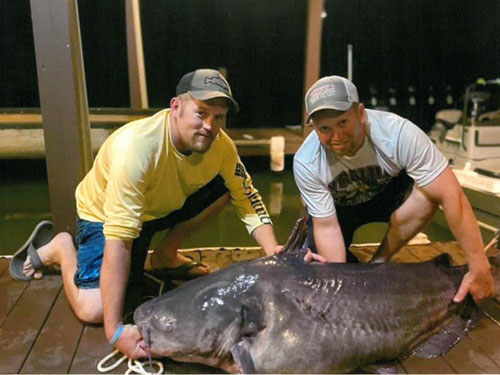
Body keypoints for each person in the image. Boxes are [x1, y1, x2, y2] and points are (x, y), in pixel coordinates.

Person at [10, 69, 281, 359]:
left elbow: (248, 198)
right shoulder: (136, 149)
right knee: (94, 309)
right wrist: (114, 331)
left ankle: (166, 254)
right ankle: (62, 248)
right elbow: (120, 241)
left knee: (227, 187)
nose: (209, 126)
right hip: (103, 216)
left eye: (219, 117)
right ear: (175, 107)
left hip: (154, 209)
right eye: (201, 113)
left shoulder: (222, 147)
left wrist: (275, 254)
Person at [293, 75, 494, 305]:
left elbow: (451, 195)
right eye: (325, 128)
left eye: (343, 123)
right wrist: (341, 285)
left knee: (429, 191)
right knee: (321, 266)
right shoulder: (306, 161)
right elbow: (326, 226)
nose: (336, 137)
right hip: (340, 209)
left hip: (387, 197)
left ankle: (381, 260)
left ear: (360, 113)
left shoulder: (398, 134)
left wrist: (478, 264)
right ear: (314, 128)